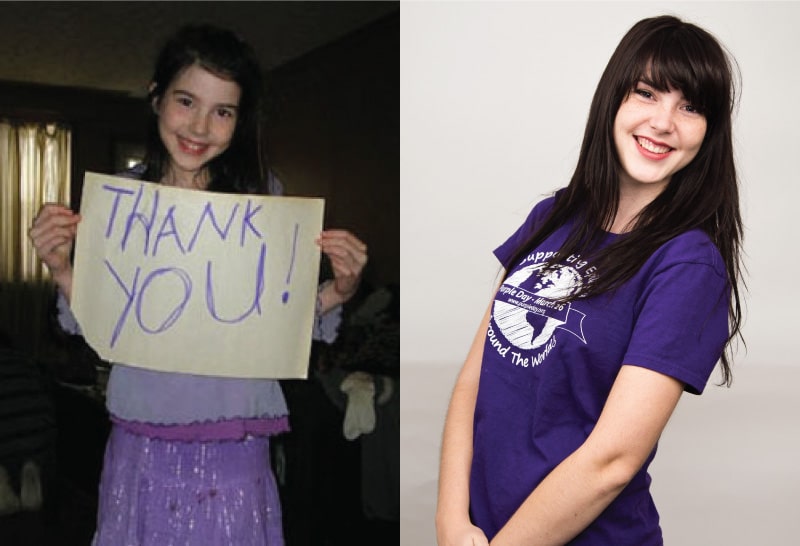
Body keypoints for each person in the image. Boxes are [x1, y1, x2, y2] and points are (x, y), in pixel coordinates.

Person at [28, 24, 368, 545]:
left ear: (239, 120)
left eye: (223, 111)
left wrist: (340, 290)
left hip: (234, 442)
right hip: (143, 438)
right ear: (156, 96)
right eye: (186, 101)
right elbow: (99, 320)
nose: (200, 125)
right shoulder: (123, 201)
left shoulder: (262, 200)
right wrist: (62, 268)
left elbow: (279, 316)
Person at [436, 15, 743, 546]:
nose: (664, 121)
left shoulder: (688, 265)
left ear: (709, 132)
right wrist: (450, 520)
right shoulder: (553, 215)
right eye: (646, 93)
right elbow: (474, 379)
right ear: (614, 100)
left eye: (690, 107)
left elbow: (613, 461)